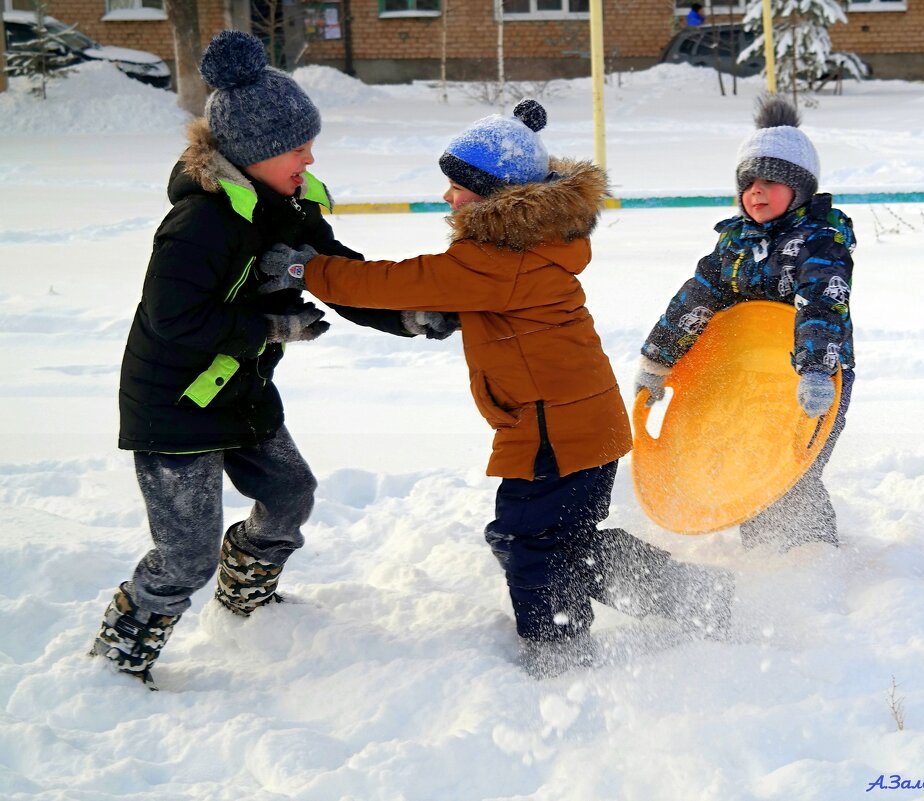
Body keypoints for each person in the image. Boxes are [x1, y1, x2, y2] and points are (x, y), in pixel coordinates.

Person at [257, 100, 735, 679]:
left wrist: (309, 269)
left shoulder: (495, 261)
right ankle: (693, 598)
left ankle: (560, 653)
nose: (447, 198)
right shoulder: (525, 247)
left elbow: (397, 281)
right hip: (580, 427)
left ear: (496, 197)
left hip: (554, 432)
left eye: (457, 187)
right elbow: (448, 293)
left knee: (527, 541)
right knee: (560, 541)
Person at [89, 30, 453, 689]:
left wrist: (409, 314)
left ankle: (245, 595)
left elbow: (339, 275)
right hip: (173, 407)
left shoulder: (290, 207)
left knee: (289, 494)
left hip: (240, 392)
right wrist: (270, 324)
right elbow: (174, 320)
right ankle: (118, 656)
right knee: (184, 554)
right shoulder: (198, 223)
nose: (310, 156)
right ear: (251, 152)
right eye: (297, 147)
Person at [635, 96, 856, 551]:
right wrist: (658, 361)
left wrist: (816, 371)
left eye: (771, 182)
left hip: (811, 377)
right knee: (751, 461)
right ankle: (764, 553)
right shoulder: (734, 242)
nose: (756, 191)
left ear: (801, 190)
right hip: (744, 377)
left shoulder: (821, 241)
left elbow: (820, 306)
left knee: (793, 470)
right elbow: (695, 299)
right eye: (748, 182)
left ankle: (809, 558)